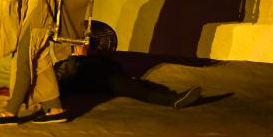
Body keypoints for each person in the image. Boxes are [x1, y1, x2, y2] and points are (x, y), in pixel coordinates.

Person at [54, 22, 202, 109]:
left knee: (131, 84)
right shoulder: (67, 62)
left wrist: (93, 57)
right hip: (79, 80)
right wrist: (77, 57)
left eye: (87, 44)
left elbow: (115, 69)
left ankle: (173, 97)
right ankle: (171, 99)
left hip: (103, 79)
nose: (85, 46)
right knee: (121, 84)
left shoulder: (102, 60)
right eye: (82, 44)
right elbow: (63, 75)